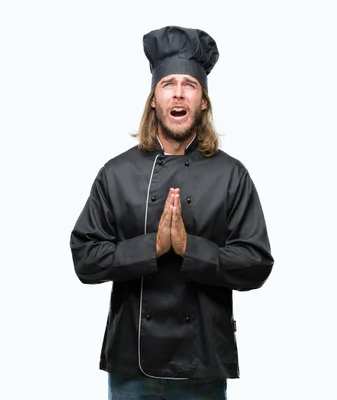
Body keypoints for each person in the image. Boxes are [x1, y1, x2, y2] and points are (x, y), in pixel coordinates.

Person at [70, 26, 274, 399]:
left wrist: (189, 249)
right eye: (168, 84)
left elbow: (256, 263)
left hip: (202, 366)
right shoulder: (116, 174)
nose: (178, 92)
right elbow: (85, 259)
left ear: (204, 102)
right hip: (132, 364)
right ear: (153, 100)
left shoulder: (231, 175)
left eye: (189, 85)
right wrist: (153, 247)